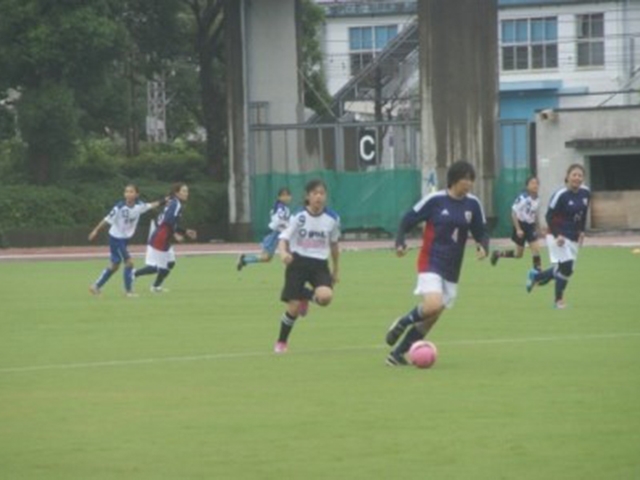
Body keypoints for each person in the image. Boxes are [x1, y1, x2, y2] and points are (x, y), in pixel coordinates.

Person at [384, 160, 489, 366]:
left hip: (452, 267)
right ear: (453, 180)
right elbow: (408, 219)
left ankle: (397, 354)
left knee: (432, 317)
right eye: (464, 179)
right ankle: (402, 322)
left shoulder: (473, 204)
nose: (468, 184)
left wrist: (483, 246)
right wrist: (400, 242)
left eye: (471, 179)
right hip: (430, 260)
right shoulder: (435, 200)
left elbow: (481, 231)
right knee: (433, 305)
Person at [274, 179, 340, 353]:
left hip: (319, 264)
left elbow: (334, 245)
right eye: (315, 193)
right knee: (293, 308)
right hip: (298, 263)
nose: (319, 197)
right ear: (308, 196)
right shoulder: (298, 216)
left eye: (322, 193)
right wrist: (283, 254)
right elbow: (283, 238)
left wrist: (336, 269)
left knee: (325, 298)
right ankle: (281, 342)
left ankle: (306, 296)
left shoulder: (332, 218)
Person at [526, 164, 590, 309]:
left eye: (580, 175)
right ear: (567, 176)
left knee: (567, 269)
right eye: (574, 175)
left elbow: (583, 214)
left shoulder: (586, 193)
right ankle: (558, 301)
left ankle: (535, 277)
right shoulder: (560, 195)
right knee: (566, 267)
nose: (577, 178)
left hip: (573, 236)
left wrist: (581, 231)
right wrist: (557, 235)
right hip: (557, 234)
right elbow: (549, 216)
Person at [88, 184, 163, 296]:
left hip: (124, 239)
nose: (128, 194)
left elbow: (151, 205)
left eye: (131, 191)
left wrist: (165, 200)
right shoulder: (119, 207)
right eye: (126, 191)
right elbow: (107, 219)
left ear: (136, 194)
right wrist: (96, 230)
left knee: (115, 266)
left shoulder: (139, 206)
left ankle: (96, 286)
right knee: (129, 263)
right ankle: (128, 291)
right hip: (116, 238)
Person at [134, 182, 197, 293]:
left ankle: (156, 286)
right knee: (155, 268)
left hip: (164, 237)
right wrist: (175, 234)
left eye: (187, 191)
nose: (187, 193)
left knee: (170, 263)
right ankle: (133, 273)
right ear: (177, 193)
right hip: (160, 238)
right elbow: (168, 221)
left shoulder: (174, 202)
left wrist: (185, 231)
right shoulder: (175, 204)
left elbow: (167, 222)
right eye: (184, 191)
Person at [490, 176, 542, 271]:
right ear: (527, 186)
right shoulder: (523, 198)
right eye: (532, 183)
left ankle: (537, 274)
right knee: (518, 255)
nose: (535, 185)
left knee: (536, 249)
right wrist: (518, 229)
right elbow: (513, 213)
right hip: (521, 225)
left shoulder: (538, 199)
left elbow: (534, 214)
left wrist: (537, 227)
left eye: (537, 183)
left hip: (530, 226)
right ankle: (498, 254)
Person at [237, 187, 292, 271]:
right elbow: (279, 221)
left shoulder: (283, 208)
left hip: (281, 234)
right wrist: (287, 226)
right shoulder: (280, 207)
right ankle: (244, 260)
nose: (286, 197)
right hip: (276, 234)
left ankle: (244, 260)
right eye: (283, 195)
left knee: (287, 255)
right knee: (267, 257)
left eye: (287, 195)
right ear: (279, 197)